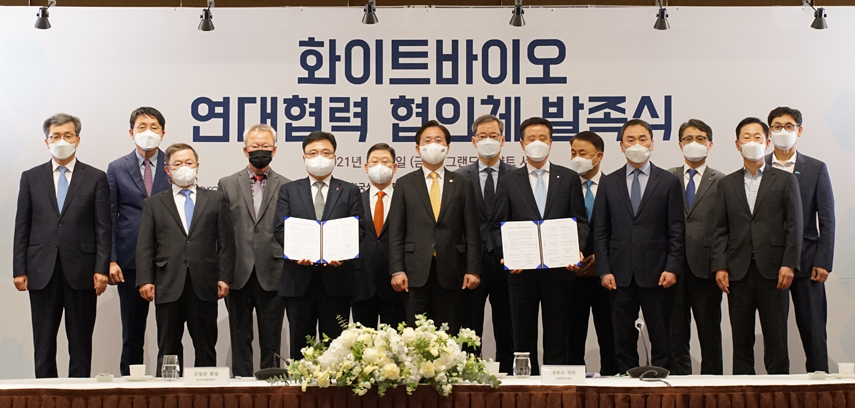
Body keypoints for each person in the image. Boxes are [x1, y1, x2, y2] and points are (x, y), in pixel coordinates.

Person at [13, 113, 111, 378]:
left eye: (68, 136)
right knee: (43, 343)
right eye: (55, 136)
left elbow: (103, 227)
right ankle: (46, 394)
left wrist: (101, 268)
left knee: (80, 343)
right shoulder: (31, 177)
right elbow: (22, 226)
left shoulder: (96, 177)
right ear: (46, 141)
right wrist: (19, 269)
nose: (61, 141)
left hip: (83, 270)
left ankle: (79, 395)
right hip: (41, 270)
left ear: (78, 139)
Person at [494, 117, 589, 376]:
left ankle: (556, 387)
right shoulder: (508, 181)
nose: (537, 143)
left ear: (551, 142)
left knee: (558, 335)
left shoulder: (568, 178)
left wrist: (576, 249)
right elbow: (498, 225)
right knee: (522, 337)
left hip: (560, 271)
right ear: (522, 144)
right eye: (531, 139)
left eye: (543, 138)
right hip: (521, 273)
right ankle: (525, 387)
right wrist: (507, 255)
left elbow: (581, 221)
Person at [712, 117, 803, 375]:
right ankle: (743, 390)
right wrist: (720, 266)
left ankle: (779, 390)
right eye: (746, 137)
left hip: (774, 271)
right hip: (737, 272)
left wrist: (789, 263)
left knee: (776, 339)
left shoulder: (785, 180)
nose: (752, 142)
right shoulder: (726, 184)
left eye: (757, 137)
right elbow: (720, 229)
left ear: (767, 142)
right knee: (741, 340)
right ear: (737, 144)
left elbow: (795, 225)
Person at [593, 119, 684, 374]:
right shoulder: (609, 182)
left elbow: (677, 229)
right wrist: (604, 269)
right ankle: (627, 384)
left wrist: (672, 267)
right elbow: (601, 230)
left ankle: (661, 384)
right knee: (622, 339)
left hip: (658, 274)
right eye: (630, 140)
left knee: (662, 338)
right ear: (621, 146)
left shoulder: (668, 181)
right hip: (619, 275)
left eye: (642, 139)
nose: (636, 145)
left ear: (652, 144)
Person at [137, 143, 235, 375]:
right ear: (167, 170)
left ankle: (206, 392)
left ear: (197, 166)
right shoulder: (154, 203)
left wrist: (224, 277)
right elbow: (145, 245)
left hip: (204, 284)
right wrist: (145, 280)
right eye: (178, 164)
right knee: (168, 347)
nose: (184, 168)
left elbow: (226, 242)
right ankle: (169, 392)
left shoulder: (215, 199)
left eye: (189, 163)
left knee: (205, 346)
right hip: (168, 284)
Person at [273, 131, 364, 359]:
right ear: (304, 158)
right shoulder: (289, 190)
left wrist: (343, 254)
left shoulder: (350, 190)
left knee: (335, 349)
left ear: (335, 157)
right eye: (313, 153)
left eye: (325, 152)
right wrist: (296, 253)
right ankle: (298, 383)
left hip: (337, 281)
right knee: (300, 347)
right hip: (298, 281)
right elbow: (280, 229)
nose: (319, 158)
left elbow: (359, 230)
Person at [388, 120, 482, 335]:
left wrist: (473, 269)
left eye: (438, 140)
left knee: (448, 335)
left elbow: (471, 231)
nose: (433, 144)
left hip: (452, 270)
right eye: (427, 140)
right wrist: (397, 270)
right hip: (414, 273)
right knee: (415, 336)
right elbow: (396, 233)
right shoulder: (404, 184)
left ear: (447, 147)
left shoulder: (462, 183)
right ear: (417, 148)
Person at [217, 124, 291, 377]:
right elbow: (221, 232)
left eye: (266, 146)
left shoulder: (287, 186)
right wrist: (222, 273)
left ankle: (272, 385)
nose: (260, 150)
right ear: (245, 150)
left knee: (272, 338)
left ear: (275, 150)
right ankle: (242, 384)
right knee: (240, 337)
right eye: (255, 146)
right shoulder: (227, 184)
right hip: (237, 272)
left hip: (274, 271)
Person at [765, 107, 834, 374]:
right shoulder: (761, 166)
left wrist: (823, 261)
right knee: (775, 336)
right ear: (769, 132)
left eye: (789, 126)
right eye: (776, 126)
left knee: (814, 330)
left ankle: (820, 386)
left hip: (808, 263)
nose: (783, 131)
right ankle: (777, 388)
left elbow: (826, 219)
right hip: (771, 263)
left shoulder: (815, 168)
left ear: (799, 130)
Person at [106, 106, 172, 376]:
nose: (148, 132)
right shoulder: (116, 168)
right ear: (131, 133)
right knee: (132, 333)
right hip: (129, 260)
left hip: (168, 260)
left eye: (154, 127)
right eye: (142, 127)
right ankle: (130, 386)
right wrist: (111, 259)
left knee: (169, 333)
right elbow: (108, 217)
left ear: (163, 133)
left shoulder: (174, 164)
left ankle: (169, 384)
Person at [455, 114, 515, 373]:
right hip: (472, 263)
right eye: (482, 136)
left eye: (493, 136)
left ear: (502, 140)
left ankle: (508, 375)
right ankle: (469, 373)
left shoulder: (516, 176)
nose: (488, 140)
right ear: (473, 141)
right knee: (470, 326)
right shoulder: (459, 177)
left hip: (507, 261)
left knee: (507, 325)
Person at [667, 119, 724, 375]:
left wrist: (721, 265)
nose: (694, 143)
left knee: (710, 335)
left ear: (710, 144)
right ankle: (680, 386)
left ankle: (713, 387)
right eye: (688, 139)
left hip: (707, 269)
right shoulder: (667, 178)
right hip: (673, 269)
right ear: (680, 145)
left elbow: (725, 228)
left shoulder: (721, 181)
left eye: (700, 139)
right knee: (675, 336)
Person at [567, 130, 618, 376]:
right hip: (571, 273)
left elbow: (620, 229)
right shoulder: (563, 187)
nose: (577, 158)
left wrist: (602, 259)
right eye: (573, 153)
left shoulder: (614, 186)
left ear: (599, 156)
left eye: (583, 153)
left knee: (610, 335)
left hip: (605, 273)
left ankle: (612, 383)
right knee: (571, 337)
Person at [352, 143, 406, 329]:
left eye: (385, 161)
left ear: (395, 167)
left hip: (396, 284)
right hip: (361, 284)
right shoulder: (354, 200)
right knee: (362, 343)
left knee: (396, 343)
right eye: (374, 162)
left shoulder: (405, 200)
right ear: (366, 167)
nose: (379, 166)